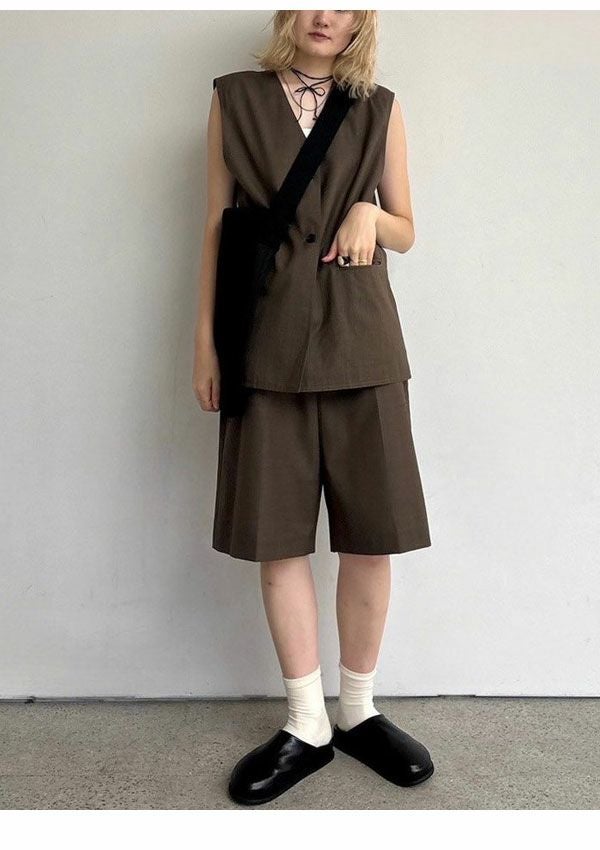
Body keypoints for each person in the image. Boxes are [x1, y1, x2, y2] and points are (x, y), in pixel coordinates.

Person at [193, 10, 434, 806]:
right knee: (278, 536)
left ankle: (358, 710)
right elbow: (217, 227)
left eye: (346, 2)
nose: (327, 14)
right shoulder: (234, 99)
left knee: (373, 535)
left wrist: (370, 214)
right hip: (263, 341)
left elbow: (407, 228)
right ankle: (306, 722)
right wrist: (205, 344)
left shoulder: (380, 105)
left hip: (364, 342)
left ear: (362, 17)